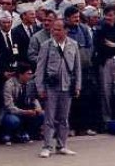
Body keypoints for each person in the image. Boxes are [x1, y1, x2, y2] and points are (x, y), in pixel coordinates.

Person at [35, 18, 82, 158]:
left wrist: (78, 85)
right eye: (53, 29)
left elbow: (77, 67)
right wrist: (40, 87)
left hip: (67, 86)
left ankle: (62, 145)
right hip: (51, 86)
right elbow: (40, 68)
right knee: (49, 118)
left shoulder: (73, 45)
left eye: (58, 29)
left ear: (66, 30)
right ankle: (47, 146)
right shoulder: (46, 45)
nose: (54, 32)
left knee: (64, 117)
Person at [0, 62, 43, 144]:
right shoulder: (9, 84)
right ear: (20, 74)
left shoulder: (30, 84)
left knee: (41, 115)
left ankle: (25, 132)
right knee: (13, 120)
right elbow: (9, 106)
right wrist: (24, 112)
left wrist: (38, 108)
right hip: (11, 113)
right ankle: (7, 134)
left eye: (31, 74)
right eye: (28, 74)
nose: (30, 76)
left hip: (26, 110)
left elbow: (34, 99)